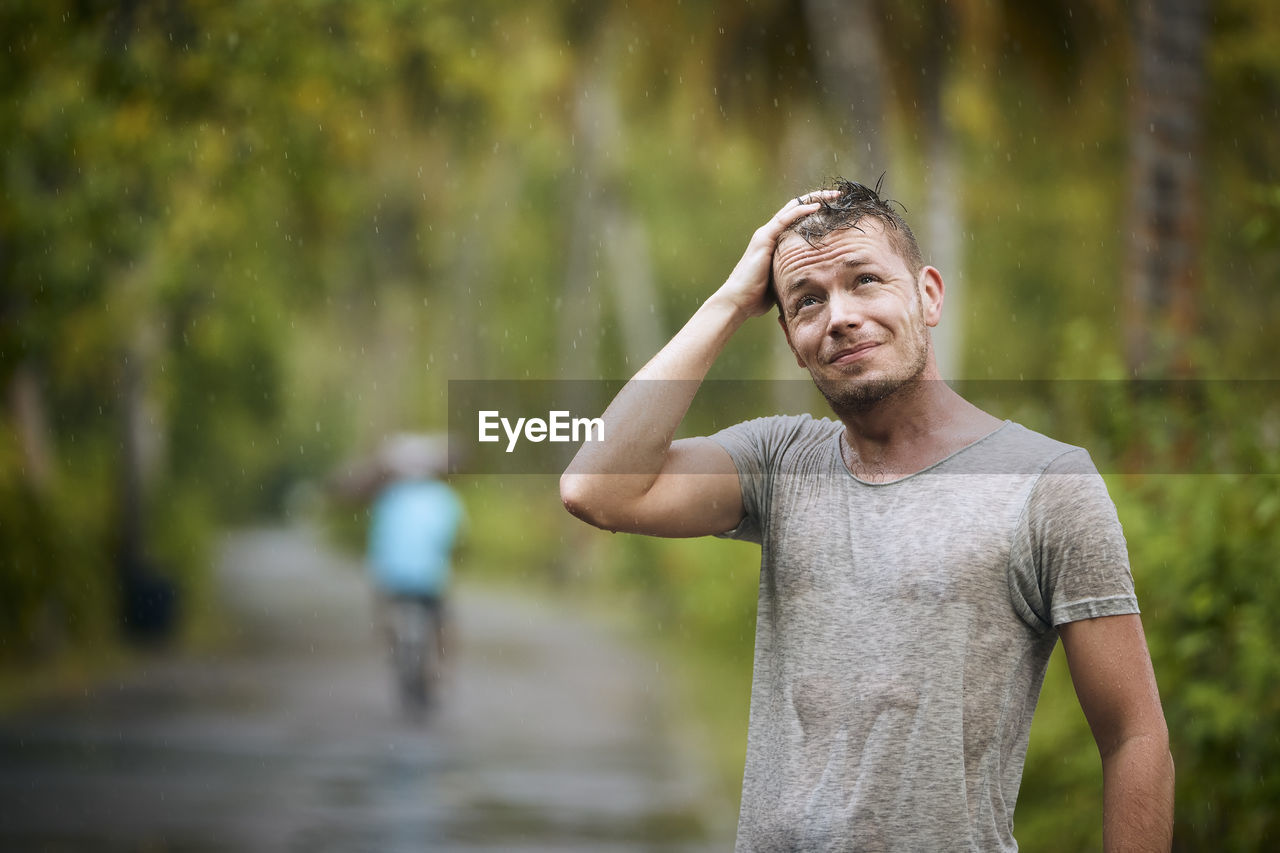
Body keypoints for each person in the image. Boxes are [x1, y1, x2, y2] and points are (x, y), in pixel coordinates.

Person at [560, 179, 1173, 851]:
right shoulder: (779, 460)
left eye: (865, 280)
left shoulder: (1046, 482)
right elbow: (597, 489)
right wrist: (733, 300)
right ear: (794, 342)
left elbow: (1133, 735)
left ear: (929, 295)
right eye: (807, 302)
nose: (840, 316)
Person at [364, 434, 464, 713]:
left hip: (392, 578)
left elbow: (378, 540)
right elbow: (452, 538)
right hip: (429, 579)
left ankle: (389, 647)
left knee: (386, 617)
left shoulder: (388, 497)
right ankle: (441, 672)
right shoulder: (444, 498)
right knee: (444, 625)